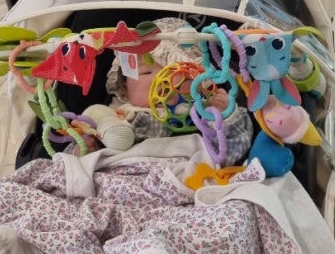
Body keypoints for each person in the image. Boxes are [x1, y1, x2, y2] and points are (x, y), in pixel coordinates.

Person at [103, 17, 253, 166]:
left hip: (188, 170)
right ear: (124, 88)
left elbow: (232, 154)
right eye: (146, 73)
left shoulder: (203, 111)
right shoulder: (119, 113)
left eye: (174, 71)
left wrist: (224, 116)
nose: (161, 79)